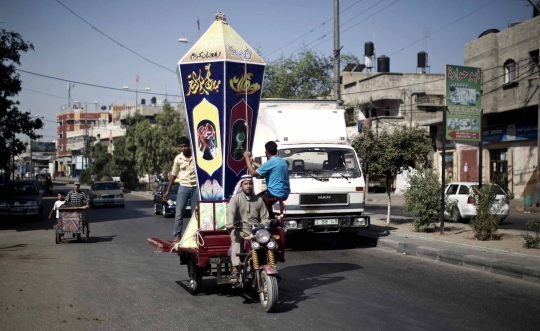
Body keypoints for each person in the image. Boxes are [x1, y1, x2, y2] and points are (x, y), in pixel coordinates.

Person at [226, 175, 269, 281]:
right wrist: (230, 223)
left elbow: (265, 217)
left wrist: (264, 224)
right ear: (241, 185)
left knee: (270, 243)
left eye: (250, 184)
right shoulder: (236, 198)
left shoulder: (259, 200)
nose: (248, 186)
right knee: (237, 241)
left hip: (256, 230)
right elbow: (230, 211)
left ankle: (269, 267)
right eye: (245, 184)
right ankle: (235, 270)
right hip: (239, 229)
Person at [163, 136, 199, 243]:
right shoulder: (178, 159)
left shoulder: (196, 156)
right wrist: (167, 190)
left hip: (196, 188)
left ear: (189, 146)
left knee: (195, 214)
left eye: (185, 146)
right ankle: (177, 235)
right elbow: (174, 174)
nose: (183, 148)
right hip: (184, 187)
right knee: (179, 212)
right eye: (181, 147)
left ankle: (196, 234)